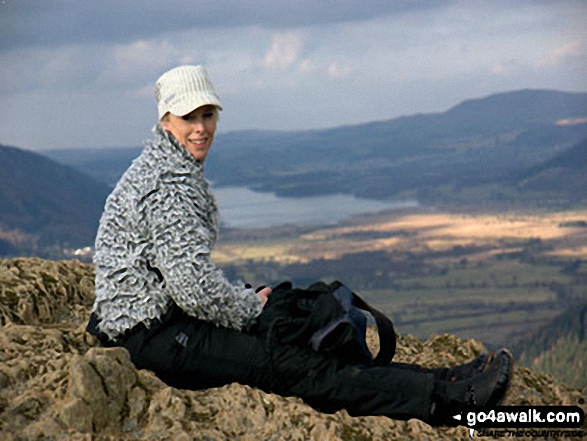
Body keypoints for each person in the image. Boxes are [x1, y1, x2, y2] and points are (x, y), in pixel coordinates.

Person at [87, 65, 513, 427]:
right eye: (187, 118)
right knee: (296, 366)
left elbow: (184, 280)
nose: (200, 129)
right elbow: (192, 288)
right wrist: (248, 308)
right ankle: (452, 405)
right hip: (150, 336)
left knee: (295, 339)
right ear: (165, 121)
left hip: (164, 319)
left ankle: (448, 380)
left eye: (207, 115)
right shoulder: (167, 185)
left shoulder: (166, 167)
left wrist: (244, 300)